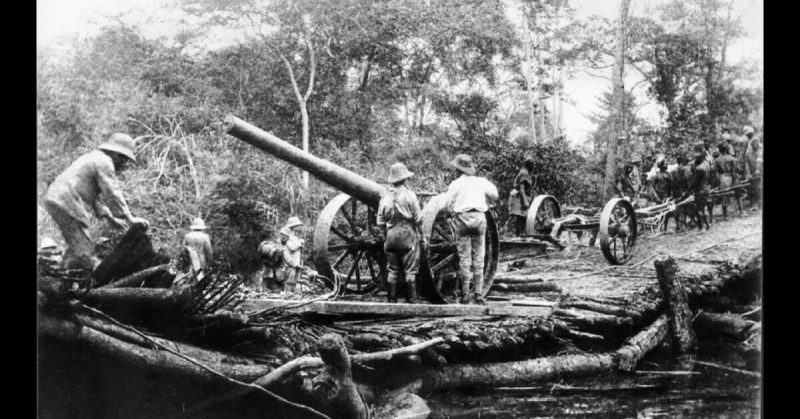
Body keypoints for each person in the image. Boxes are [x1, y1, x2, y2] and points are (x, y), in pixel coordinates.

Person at [43, 133, 149, 271]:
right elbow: (112, 192)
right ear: (116, 154)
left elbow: (96, 197)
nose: (124, 163)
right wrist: (130, 218)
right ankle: (82, 280)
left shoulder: (93, 157)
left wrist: (111, 218)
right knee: (83, 246)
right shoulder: (104, 162)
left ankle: (64, 276)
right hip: (67, 200)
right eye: (123, 158)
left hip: (56, 197)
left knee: (77, 242)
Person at [444, 154, 499, 305]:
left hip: (462, 219)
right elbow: (495, 195)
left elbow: (448, 203)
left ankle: (466, 295)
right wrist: (485, 200)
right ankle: (479, 294)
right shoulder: (481, 182)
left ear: (457, 170)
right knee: (479, 257)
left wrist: (449, 214)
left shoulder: (455, 184)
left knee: (464, 258)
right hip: (479, 218)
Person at [377, 162, 422, 303]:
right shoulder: (410, 195)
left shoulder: (385, 198)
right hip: (407, 235)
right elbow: (418, 219)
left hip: (391, 237)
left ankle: (392, 302)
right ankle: (412, 301)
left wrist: (385, 237)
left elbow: (380, 222)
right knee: (410, 271)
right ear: (405, 179)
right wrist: (421, 237)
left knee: (393, 270)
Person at [681, 148, 712, 231]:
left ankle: (701, 227)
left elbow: (695, 183)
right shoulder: (707, 164)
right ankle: (707, 225)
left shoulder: (699, 168)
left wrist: (687, 191)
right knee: (703, 207)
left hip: (700, 190)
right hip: (706, 188)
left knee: (699, 209)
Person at [715, 143, 743, 219]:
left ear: (720, 150)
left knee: (724, 195)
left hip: (723, 177)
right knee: (738, 194)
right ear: (727, 149)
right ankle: (741, 211)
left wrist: (718, 182)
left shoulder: (717, 160)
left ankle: (725, 215)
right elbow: (735, 169)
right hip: (732, 176)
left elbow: (717, 172)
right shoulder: (732, 158)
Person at [507, 158, 534, 236]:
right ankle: (518, 236)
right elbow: (521, 189)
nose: (533, 167)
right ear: (528, 165)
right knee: (520, 217)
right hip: (519, 197)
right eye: (532, 165)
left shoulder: (528, 173)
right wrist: (524, 201)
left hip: (522, 196)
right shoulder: (524, 173)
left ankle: (521, 235)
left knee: (523, 217)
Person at [280, 217, 306, 294]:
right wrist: (300, 243)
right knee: (291, 276)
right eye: (297, 226)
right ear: (293, 227)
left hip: (296, 261)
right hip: (290, 262)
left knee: (296, 278)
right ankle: (288, 291)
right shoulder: (287, 237)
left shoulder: (296, 237)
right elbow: (292, 248)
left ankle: (294, 291)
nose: (299, 227)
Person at [743, 127, 762, 210]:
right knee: (752, 186)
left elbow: (759, 160)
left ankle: (757, 203)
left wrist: (757, 170)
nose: (755, 145)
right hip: (751, 170)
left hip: (760, 170)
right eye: (753, 144)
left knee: (758, 187)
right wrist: (748, 173)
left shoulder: (760, 149)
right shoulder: (749, 150)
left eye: (756, 143)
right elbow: (746, 161)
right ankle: (753, 203)